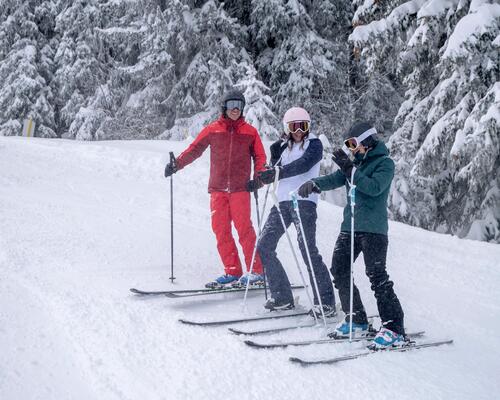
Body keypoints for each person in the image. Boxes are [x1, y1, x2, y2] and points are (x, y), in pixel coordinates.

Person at [298, 121, 406, 348]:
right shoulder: (353, 165)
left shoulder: (385, 163)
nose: (350, 148)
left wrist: (351, 170)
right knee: (339, 269)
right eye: (348, 144)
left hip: (373, 230)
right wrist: (314, 184)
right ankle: (356, 319)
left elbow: (374, 187)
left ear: (367, 140)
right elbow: (335, 179)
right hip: (350, 227)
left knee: (377, 276)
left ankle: (394, 328)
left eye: (353, 143)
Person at [164, 88, 267, 288]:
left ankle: (257, 271)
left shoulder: (250, 132)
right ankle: (232, 270)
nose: (235, 109)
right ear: (224, 107)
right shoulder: (213, 129)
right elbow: (195, 149)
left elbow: (260, 157)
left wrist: (259, 178)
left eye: (239, 105)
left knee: (244, 229)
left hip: (240, 189)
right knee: (221, 230)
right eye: (231, 105)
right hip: (218, 189)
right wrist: (177, 164)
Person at [256, 107, 336, 317]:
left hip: (303, 201)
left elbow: (304, 165)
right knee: (264, 245)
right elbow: (271, 172)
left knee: (307, 249)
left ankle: (325, 302)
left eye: (304, 126)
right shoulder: (282, 148)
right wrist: (260, 177)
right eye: (294, 126)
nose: (299, 131)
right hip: (281, 201)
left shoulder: (314, 144)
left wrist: (278, 171)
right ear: (287, 128)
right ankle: (282, 296)